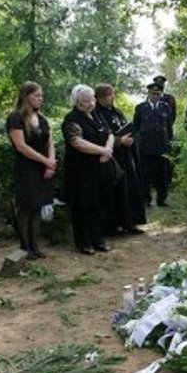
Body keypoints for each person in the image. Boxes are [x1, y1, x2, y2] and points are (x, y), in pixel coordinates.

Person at [6, 82, 56, 258]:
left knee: (38, 207)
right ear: (26, 96)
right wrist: (45, 161)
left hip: (43, 168)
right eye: (37, 95)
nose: (40, 99)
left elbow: (50, 141)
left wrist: (50, 162)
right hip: (26, 168)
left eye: (41, 96)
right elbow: (21, 146)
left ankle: (35, 245)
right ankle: (24, 246)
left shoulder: (42, 119)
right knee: (26, 208)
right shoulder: (15, 118)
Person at [62, 84, 113, 255]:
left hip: (99, 168)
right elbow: (77, 142)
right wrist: (102, 151)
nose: (90, 104)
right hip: (80, 171)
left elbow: (110, 133)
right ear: (77, 102)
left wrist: (108, 149)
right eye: (85, 101)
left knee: (98, 204)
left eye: (92, 100)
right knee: (83, 206)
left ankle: (98, 239)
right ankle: (84, 242)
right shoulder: (71, 119)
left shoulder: (97, 115)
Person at [95, 84, 145, 234]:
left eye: (112, 94)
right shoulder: (97, 114)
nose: (112, 97)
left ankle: (131, 222)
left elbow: (127, 128)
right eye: (109, 95)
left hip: (126, 155)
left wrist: (130, 139)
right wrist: (119, 141)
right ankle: (115, 224)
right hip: (113, 157)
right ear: (100, 97)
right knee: (116, 192)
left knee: (131, 188)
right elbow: (101, 136)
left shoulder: (117, 112)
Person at [132, 82, 172, 207]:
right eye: (153, 93)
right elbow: (135, 127)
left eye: (158, 94)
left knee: (162, 174)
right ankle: (146, 199)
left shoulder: (165, 107)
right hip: (145, 146)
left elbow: (169, 127)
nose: (156, 96)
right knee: (145, 175)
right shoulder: (141, 108)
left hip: (161, 146)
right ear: (149, 94)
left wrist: (169, 141)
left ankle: (162, 199)